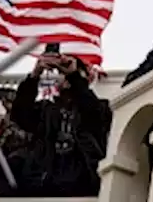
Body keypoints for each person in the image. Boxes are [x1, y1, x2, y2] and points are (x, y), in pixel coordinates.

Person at [6, 53, 110, 196]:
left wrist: (74, 76)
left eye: (73, 72)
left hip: (82, 186)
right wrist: (35, 75)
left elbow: (92, 112)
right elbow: (20, 115)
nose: (65, 76)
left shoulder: (100, 107)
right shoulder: (45, 110)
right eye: (60, 72)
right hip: (44, 185)